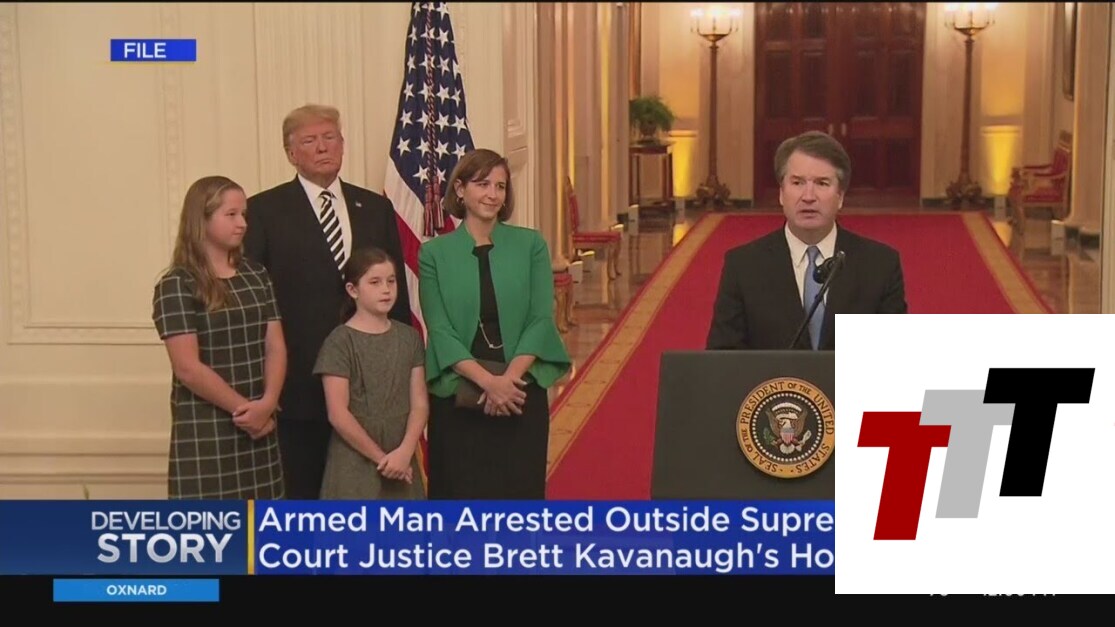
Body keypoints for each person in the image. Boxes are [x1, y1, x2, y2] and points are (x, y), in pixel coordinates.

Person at [244, 104, 412, 499]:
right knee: (302, 497)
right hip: (299, 385)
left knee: (368, 499)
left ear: (342, 144)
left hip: (373, 388)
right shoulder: (264, 211)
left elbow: (397, 294)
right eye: (309, 141)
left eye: (329, 137)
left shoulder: (375, 207)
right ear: (291, 153)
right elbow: (254, 303)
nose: (322, 147)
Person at [418, 148, 571, 500]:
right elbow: (439, 330)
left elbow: (540, 319)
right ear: (460, 190)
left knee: (518, 501)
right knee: (459, 504)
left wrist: (506, 383)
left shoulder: (531, 244)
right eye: (482, 184)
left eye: (500, 186)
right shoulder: (434, 254)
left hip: (519, 390)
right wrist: (489, 383)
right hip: (460, 392)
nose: (492, 194)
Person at [706, 130, 907, 351]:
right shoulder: (743, 265)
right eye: (797, 182)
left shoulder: (880, 265)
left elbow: (894, 356)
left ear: (840, 196)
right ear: (781, 193)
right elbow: (723, 357)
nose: (808, 196)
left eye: (822, 183)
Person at [152, 175, 286, 499]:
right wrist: (247, 411)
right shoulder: (177, 284)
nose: (242, 223)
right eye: (231, 214)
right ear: (202, 219)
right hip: (207, 430)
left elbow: (275, 346)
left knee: (263, 525)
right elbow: (187, 368)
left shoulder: (256, 274)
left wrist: (267, 404)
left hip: (261, 425)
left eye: (244, 214)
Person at [313, 247, 427, 500]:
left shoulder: (409, 338)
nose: (386, 289)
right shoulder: (340, 341)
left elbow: (419, 404)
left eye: (391, 281)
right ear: (353, 290)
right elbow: (338, 413)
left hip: (402, 454)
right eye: (375, 282)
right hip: (355, 460)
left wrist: (404, 452)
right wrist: (383, 459)